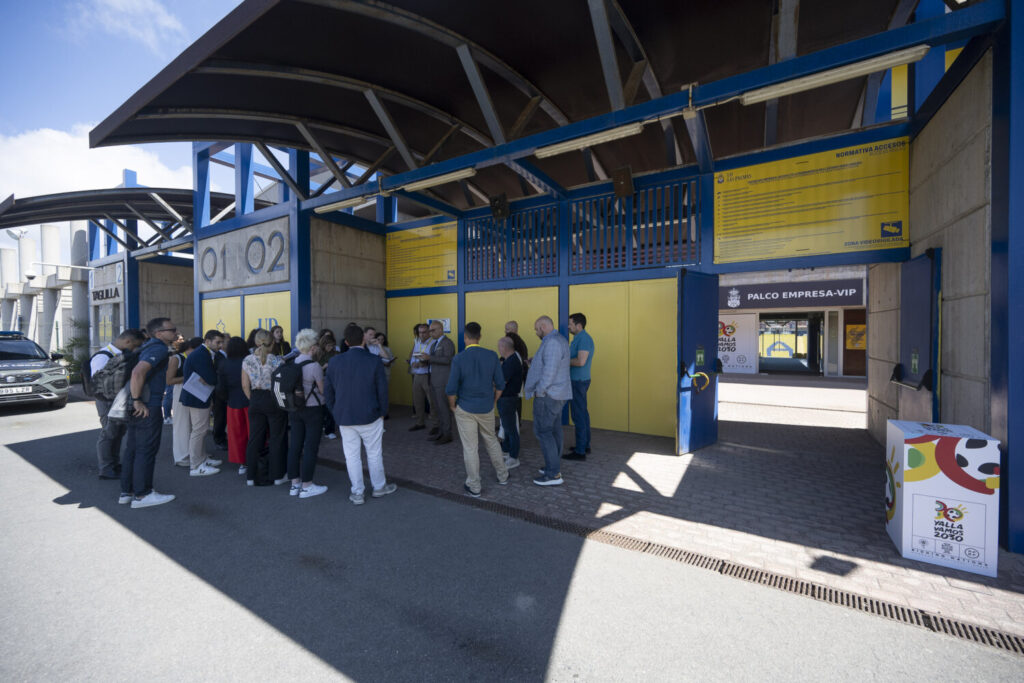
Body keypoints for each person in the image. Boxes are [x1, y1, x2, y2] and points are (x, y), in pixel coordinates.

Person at [324, 324, 397, 505]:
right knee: (374, 453)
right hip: (370, 415)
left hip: (345, 416)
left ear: (346, 342)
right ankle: (379, 487)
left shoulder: (335, 361)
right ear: (363, 340)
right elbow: (382, 390)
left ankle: (357, 492)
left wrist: (335, 411)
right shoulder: (373, 361)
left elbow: (328, 392)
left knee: (352, 456)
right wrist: (383, 412)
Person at [120, 317, 178, 508]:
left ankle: (127, 492)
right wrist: (138, 401)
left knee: (133, 449)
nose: (175, 332)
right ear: (159, 333)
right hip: (146, 405)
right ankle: (142, 495)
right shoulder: (158, 349)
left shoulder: (144, 347)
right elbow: (138, 373)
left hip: (135, 404)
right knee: (146, 450)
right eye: (171, 330)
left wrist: (135, 400)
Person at [446, 323, 509, 497]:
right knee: (491, 440)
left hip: (465, 407)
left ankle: (474, 486)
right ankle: (503, 475)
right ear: (480, 337)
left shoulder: (459, 358)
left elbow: (451, 388)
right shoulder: (491, 355)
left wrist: (453, 406)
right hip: (486, 407)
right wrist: (493, 400)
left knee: (470, 447)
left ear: (465, 338)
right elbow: (500, 384)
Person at [523, 315, 571, 486]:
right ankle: (553, 465)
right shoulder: (559, 340)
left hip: (549, 395)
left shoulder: (551, 343)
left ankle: (553, 474)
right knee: (554, 430)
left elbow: (549, 373)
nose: (536, 333)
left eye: (536, 329)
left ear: (543, 327)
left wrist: (540, 391)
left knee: (543, 432)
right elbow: (551, 365)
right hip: (558, 394)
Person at [91, 328, 145, 479]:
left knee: (118, 433)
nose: (135, 349)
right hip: (106, 401)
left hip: (119, 400)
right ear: (127, 341)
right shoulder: (102, 356)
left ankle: (114, 464)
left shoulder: (121, 355)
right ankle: (106, 468)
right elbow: (97, 382)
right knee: (108, 434)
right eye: (134, 346)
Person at [241, 329, 288, 486]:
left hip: (255, 398)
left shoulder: (247, 360)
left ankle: (251, 476)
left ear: (255, 342)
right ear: (272, 342)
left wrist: (253, 399)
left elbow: (244, 385)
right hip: (272, 398)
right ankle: (277, 475)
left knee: (254, 438)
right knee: (277, 437)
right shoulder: (276, 361)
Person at [286, 328, 328, 499]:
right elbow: (322, 389)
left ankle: (294, 484)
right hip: (313, 409)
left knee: (295, 446)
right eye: (316, 345)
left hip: (295, 409)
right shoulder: (314, 366)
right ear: (312, 348)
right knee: (310, 447)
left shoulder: (292, 363)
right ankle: (307, 485)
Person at [179, 329, 225, 477]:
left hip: (200, 395)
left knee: (201, 429)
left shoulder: (204, 353)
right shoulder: (201, 355)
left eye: (221, 342)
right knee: (199, 430)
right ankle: (196, 465)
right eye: (217, 342)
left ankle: (202, 458)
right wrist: (212, 377)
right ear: (208, 341)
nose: (220, 345)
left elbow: (210, 378)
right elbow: (212, 379)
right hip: (197, 396)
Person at [166, 336, 202, 468]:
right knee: (182, 423)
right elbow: (169, 380)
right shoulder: (177, 358)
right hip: (181, 389)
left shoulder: (191, 357)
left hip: (193, 388)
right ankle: (181, 456)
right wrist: (188, 377)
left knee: (194, 424)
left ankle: (194, 454)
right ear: (191, 348)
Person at [218, 336, 250, 475]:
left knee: (236, 435)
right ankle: (255, 459)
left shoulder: (224, 363)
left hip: (233, 403)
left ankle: (242, 463)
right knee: (253, 432)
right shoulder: (248, 361)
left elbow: (221, 387)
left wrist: (226, 399)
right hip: (250, 401)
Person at [420, 320, 455, 444]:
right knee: (438, 408)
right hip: (434, 380)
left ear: (441, 329)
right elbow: (437, 360)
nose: (431, 332)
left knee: (444, 408)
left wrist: (430, 358)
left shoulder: (447, 342)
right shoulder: (435, 344)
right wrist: (424, 360)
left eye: (433, 330)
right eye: (430, 330)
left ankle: (447, 434)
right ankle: (441, 432)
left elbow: (448, 359)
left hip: (442, 381)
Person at [565, 312, 595, 461]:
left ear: (579, 325)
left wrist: (563, 360)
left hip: (578, 381)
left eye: (570, 324)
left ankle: (580, 451)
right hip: (578, 381)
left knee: (578, 415)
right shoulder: (578, 338)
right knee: (582, 413)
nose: (569, 327)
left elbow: (581, 361)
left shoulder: (583, 339)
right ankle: (584, 445)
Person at [496, 336, 524, 469]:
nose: (498, 350)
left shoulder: (511, 362)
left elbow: (502, 382)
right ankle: (506, 451)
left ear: (504, 348)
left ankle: (514, 457)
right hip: (507, 399)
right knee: (507, 427)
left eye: (499, 347)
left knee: (511, 429)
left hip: (508, 399)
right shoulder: (510, 359)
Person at [407, 323, 435, 433]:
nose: (422, 334)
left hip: (428, 375)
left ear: (429, 332)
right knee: (417, 400)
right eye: (420, 332)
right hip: (417, 375)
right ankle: (420, 422)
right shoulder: (417, 342)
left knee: (432, 401)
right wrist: (412, 363)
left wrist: (424, 363)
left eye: (424, 332)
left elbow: (435, 359)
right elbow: (414, 355)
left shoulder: (433, 343)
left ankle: (435, 425)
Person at [314, 330, 340, 439]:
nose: (330, 348)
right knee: (321, 406)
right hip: (320, 380)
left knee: (330, 405)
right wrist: (324, 366)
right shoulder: (317, 353)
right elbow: (313, 369)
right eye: (329, 346)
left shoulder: (335, 353)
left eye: (332, 346)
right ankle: (323, 426)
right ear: (323, 344)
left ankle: (329, 429)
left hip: (332, 380)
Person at [161, 333, 183, 424]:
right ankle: (167, 416)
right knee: (169, 395)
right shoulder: (170, 349)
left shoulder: (175, 350)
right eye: (180, 339)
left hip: (171, 374)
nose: (182, 341)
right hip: (169, 374)